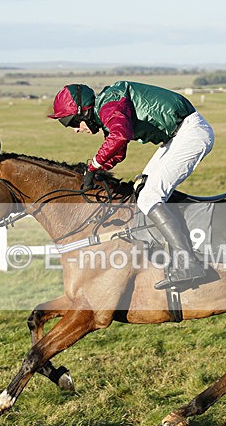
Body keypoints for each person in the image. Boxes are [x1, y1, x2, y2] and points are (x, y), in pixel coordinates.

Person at [48, 81, 214, 290]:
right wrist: (94, 171)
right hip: (177, 136)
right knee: (141, 188)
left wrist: (94, 165)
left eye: (72, 123)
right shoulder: (107, 108)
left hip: (190, 134)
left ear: (83, 112)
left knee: (149, 197)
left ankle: (188, 263)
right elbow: (119, 151)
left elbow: (120, 136)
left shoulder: (109, 106)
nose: (75, 130)